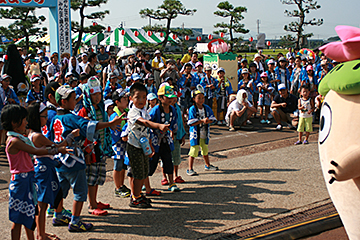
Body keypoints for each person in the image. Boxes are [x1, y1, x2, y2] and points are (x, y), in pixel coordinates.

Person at [48, 85, 124, 231]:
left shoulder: (55, 118)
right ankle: (75, 221)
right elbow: (90, 126)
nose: (75, 100)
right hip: (74, 161)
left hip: (59, 160)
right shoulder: (71, 118)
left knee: (61, 190)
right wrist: (110, 124)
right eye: (72, 98)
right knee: (79, 192)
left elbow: (51, 138)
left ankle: (58, 214)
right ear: (63, 102)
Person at [2, 104, 70, 240]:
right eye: (23, 120)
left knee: (29, 215)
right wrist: (57, 150)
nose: (26, 123)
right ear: (15, 123)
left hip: (27, 180)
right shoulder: (14, 141)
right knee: (18, 219)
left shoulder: (20, 137)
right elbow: (36, 151)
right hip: (21, 182)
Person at [28, 102, 78, 240]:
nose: (46, 118)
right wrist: (70, 137)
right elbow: (56, 146)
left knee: (41, 206)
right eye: (44, 116)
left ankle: (41, 233)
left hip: (42, 169)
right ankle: (41, 235)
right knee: (42, 206)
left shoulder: (33, 134)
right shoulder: (37, 136)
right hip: (44, 172)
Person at [126, 83, 169, 208]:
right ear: (131, 98)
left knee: (144, 172)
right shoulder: (133, 112)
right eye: (137, 97)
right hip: (134, 146)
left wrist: (150, 146)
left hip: (143, 146)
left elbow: (146, 132)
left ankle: (138, 194)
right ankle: (135, 197)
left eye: (144, 97)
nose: (141, 100)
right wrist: (159, 126)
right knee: (137, 173)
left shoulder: (144, 110)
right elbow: (145, 123)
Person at [78, 77, 115, 216]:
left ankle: (95, 200)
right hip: (91, 150)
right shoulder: (84, 111)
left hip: (101, 146)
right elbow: (84, 133)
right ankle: (92, 205)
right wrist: (87, 151)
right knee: (91, 177)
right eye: (94, 94)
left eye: (99, 94)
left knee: (98, 175)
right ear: (88, 94)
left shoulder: (100, 108)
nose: (97, 97)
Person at [148, 85, 179, 192]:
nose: (170, 99)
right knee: (152, 162)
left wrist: (173, 132)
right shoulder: (155, 110)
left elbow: (174, 124)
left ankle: (171, 182)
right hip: (155, 140)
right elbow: (148, 123)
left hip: (166, 139)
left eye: (171, 97)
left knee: (168, 160)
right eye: (167, 97)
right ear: (160, 98)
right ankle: (144, 182)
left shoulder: (173, 109)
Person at [187, 86, 218, 176]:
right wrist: (202, 121)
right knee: (193, 150)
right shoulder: (192, 109)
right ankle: (190, 168)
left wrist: (209, 121)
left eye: (202, 98)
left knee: (205, 149)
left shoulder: (206, 108)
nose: (201, 100)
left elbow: (212, 118)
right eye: (199, 98)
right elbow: (191, 122)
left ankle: (207, 165)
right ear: (194, 99)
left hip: (204, 132)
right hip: (195, 133)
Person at [110, 89, 131, 198]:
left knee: (123, 165)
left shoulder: (127, 111)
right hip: (117, 143)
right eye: (123, 99)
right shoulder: (114, 115)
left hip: (124, 142)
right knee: (117, 165)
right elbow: (114, 131)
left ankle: (122, 185)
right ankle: (117, 187)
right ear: (117, 101)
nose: (126, 100)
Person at [169, 93, 186, 183]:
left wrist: (183, 134)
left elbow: (181, 121)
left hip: (177, 135)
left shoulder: (178, 108)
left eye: (175, 98)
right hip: (167, 137)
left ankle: (176, 175)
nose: (174, 100)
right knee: (166, 158)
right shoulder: (165, 109)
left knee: (176, 157)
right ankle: (165, 177)